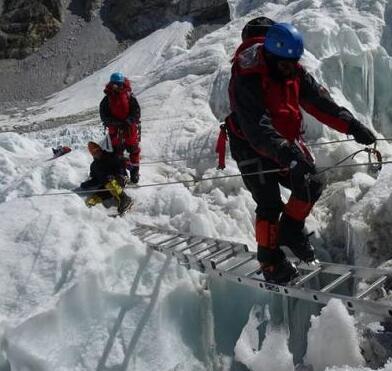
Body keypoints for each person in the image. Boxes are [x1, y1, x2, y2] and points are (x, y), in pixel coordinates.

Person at [222, 18, 376, 283]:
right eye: (284, 64)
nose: (291, 69)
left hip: (282, 141)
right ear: (270, 55)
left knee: (311, 182)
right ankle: (270, 263)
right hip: (250, 145)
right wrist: (286, 152)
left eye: (293, 63)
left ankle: (290, 231)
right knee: (268, 203)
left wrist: (352, 125)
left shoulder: (291, 68)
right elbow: (256, 127)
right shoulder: (247, 77)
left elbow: (319, 101)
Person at [100, 72, 141, 184]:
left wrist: (128, 121)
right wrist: (116, 123)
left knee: (134, 150)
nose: (117, 86)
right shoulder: (107, 99)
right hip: (116, 131)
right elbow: (104, 116)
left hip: (129, 130)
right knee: (117, 153)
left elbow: (136, 112)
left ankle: (135, 172)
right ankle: (121, 173)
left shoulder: (129, 96)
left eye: (119, 84)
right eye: (115, 84)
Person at [80, 141, 134, 215]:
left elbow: (121, 164)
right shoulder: (94, 166)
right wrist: (87, 184)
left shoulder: (110, 156)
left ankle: (124, 198)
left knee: (109, 180)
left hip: (120, 180)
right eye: (94, 152)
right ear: (92, 154)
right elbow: (96, 180)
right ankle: (90, 214)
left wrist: (121, 171)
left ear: (100, 149)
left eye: (97, 150)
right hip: (107, 185)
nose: (97, 153)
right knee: (92, 199)